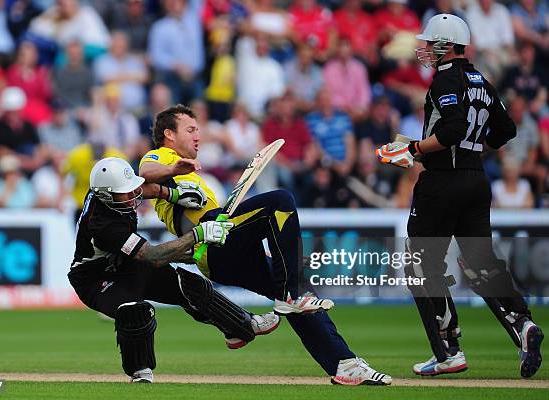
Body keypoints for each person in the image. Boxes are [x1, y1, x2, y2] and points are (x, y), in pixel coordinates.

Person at [139, 104, 393, 386]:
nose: (198, 135)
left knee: (298, 291)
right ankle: (288, 298)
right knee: (280, 201)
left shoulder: (188, 171)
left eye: (198, 129)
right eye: (191, 129)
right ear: (169, 134)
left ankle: (344, 363)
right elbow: (144, 173)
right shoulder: (163, 156)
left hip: (224, 244)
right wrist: (172, 177)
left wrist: (172, 190)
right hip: (214, 240)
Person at [376, 14, 544, 378]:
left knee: (421, 265)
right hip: (475, 179)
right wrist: (468, 151)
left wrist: (415, 149)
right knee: (482, 264)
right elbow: (505, 131)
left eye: (429, 42)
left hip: (441, 184)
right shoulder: (481, 80)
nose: (422, 49)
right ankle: (523, 325)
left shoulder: (445, 79)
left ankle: (449, 351)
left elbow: (450, 130)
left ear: (446, 45)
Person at [67, 156, 280, 383]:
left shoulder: (107, 193)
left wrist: (174, 195)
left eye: (131, 189)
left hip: (125, 264)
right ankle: (140, 372)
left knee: (190, 286)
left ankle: (241, 326)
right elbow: (153, 256)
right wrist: (198, 235)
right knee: (135, 311)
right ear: (106, 196)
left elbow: (143, 189)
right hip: (95, 279)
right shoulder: (103, 225)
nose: (133, 196)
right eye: (126, 192)